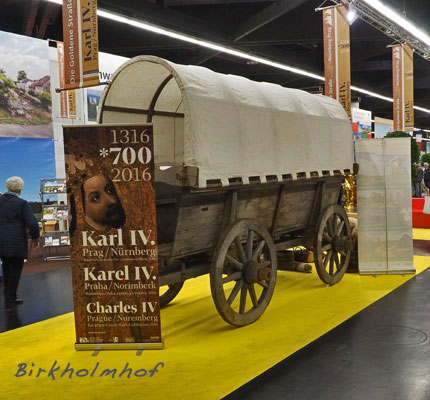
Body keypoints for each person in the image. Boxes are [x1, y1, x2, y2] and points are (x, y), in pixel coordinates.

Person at [0, 177, 40, 311]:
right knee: (15, 272)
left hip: (1, 243)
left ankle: (10, 298)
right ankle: (10, 302)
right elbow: (33, 223)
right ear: (20, 190)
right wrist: (35, 239)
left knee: (6, 270)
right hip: (16, 243)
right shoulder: (22, 203)